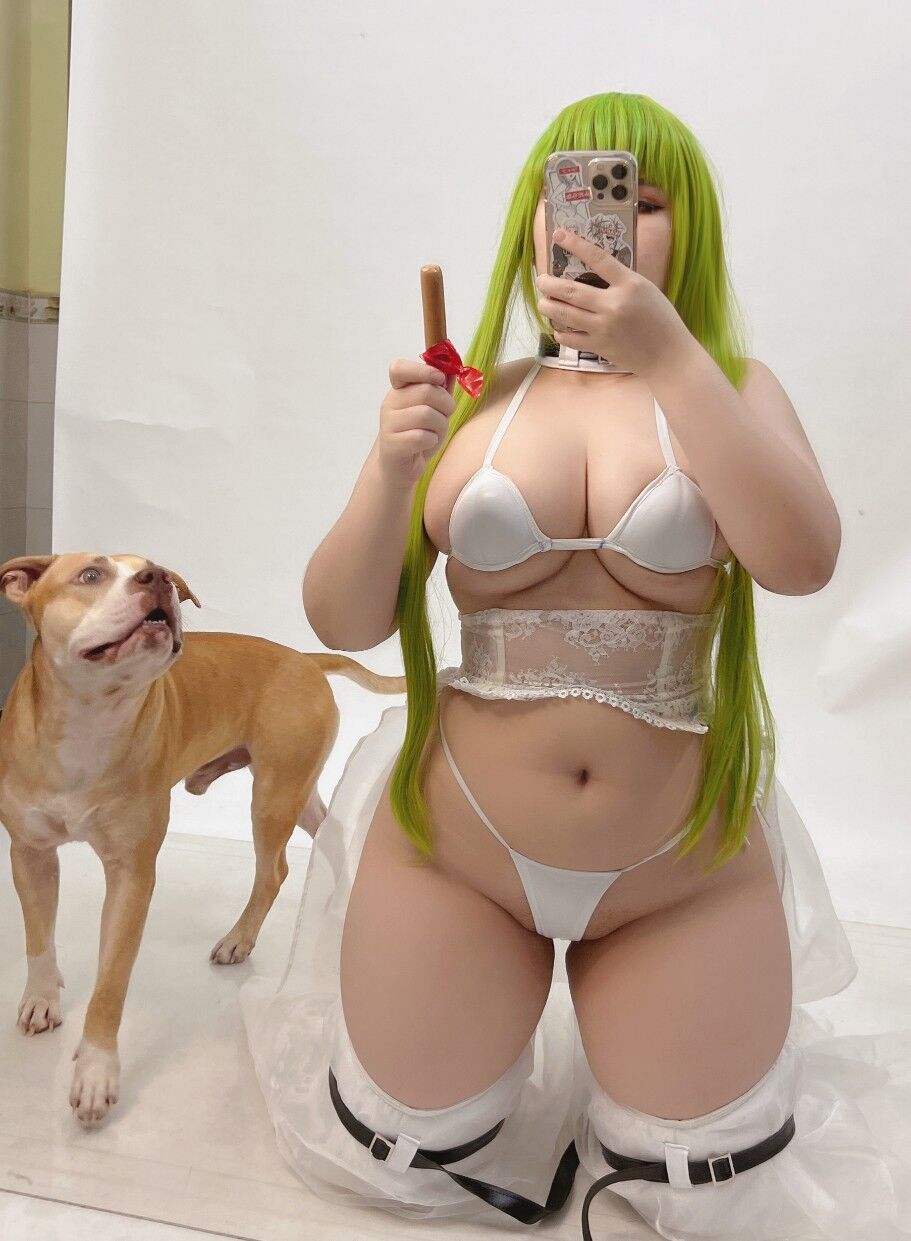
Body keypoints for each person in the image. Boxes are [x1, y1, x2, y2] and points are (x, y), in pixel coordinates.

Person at [240, 93, 911, 1239]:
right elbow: (343, 618)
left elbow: (800, 561)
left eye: (638, 202)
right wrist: (391, 468)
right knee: (412, 1137)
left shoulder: (732, 387)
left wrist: (670, 357)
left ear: (686, 228)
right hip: (458, 853)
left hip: (677, 869)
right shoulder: (473, 393)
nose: (601, 226)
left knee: (691, 1171)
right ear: (532, 225)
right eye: (578, 200)